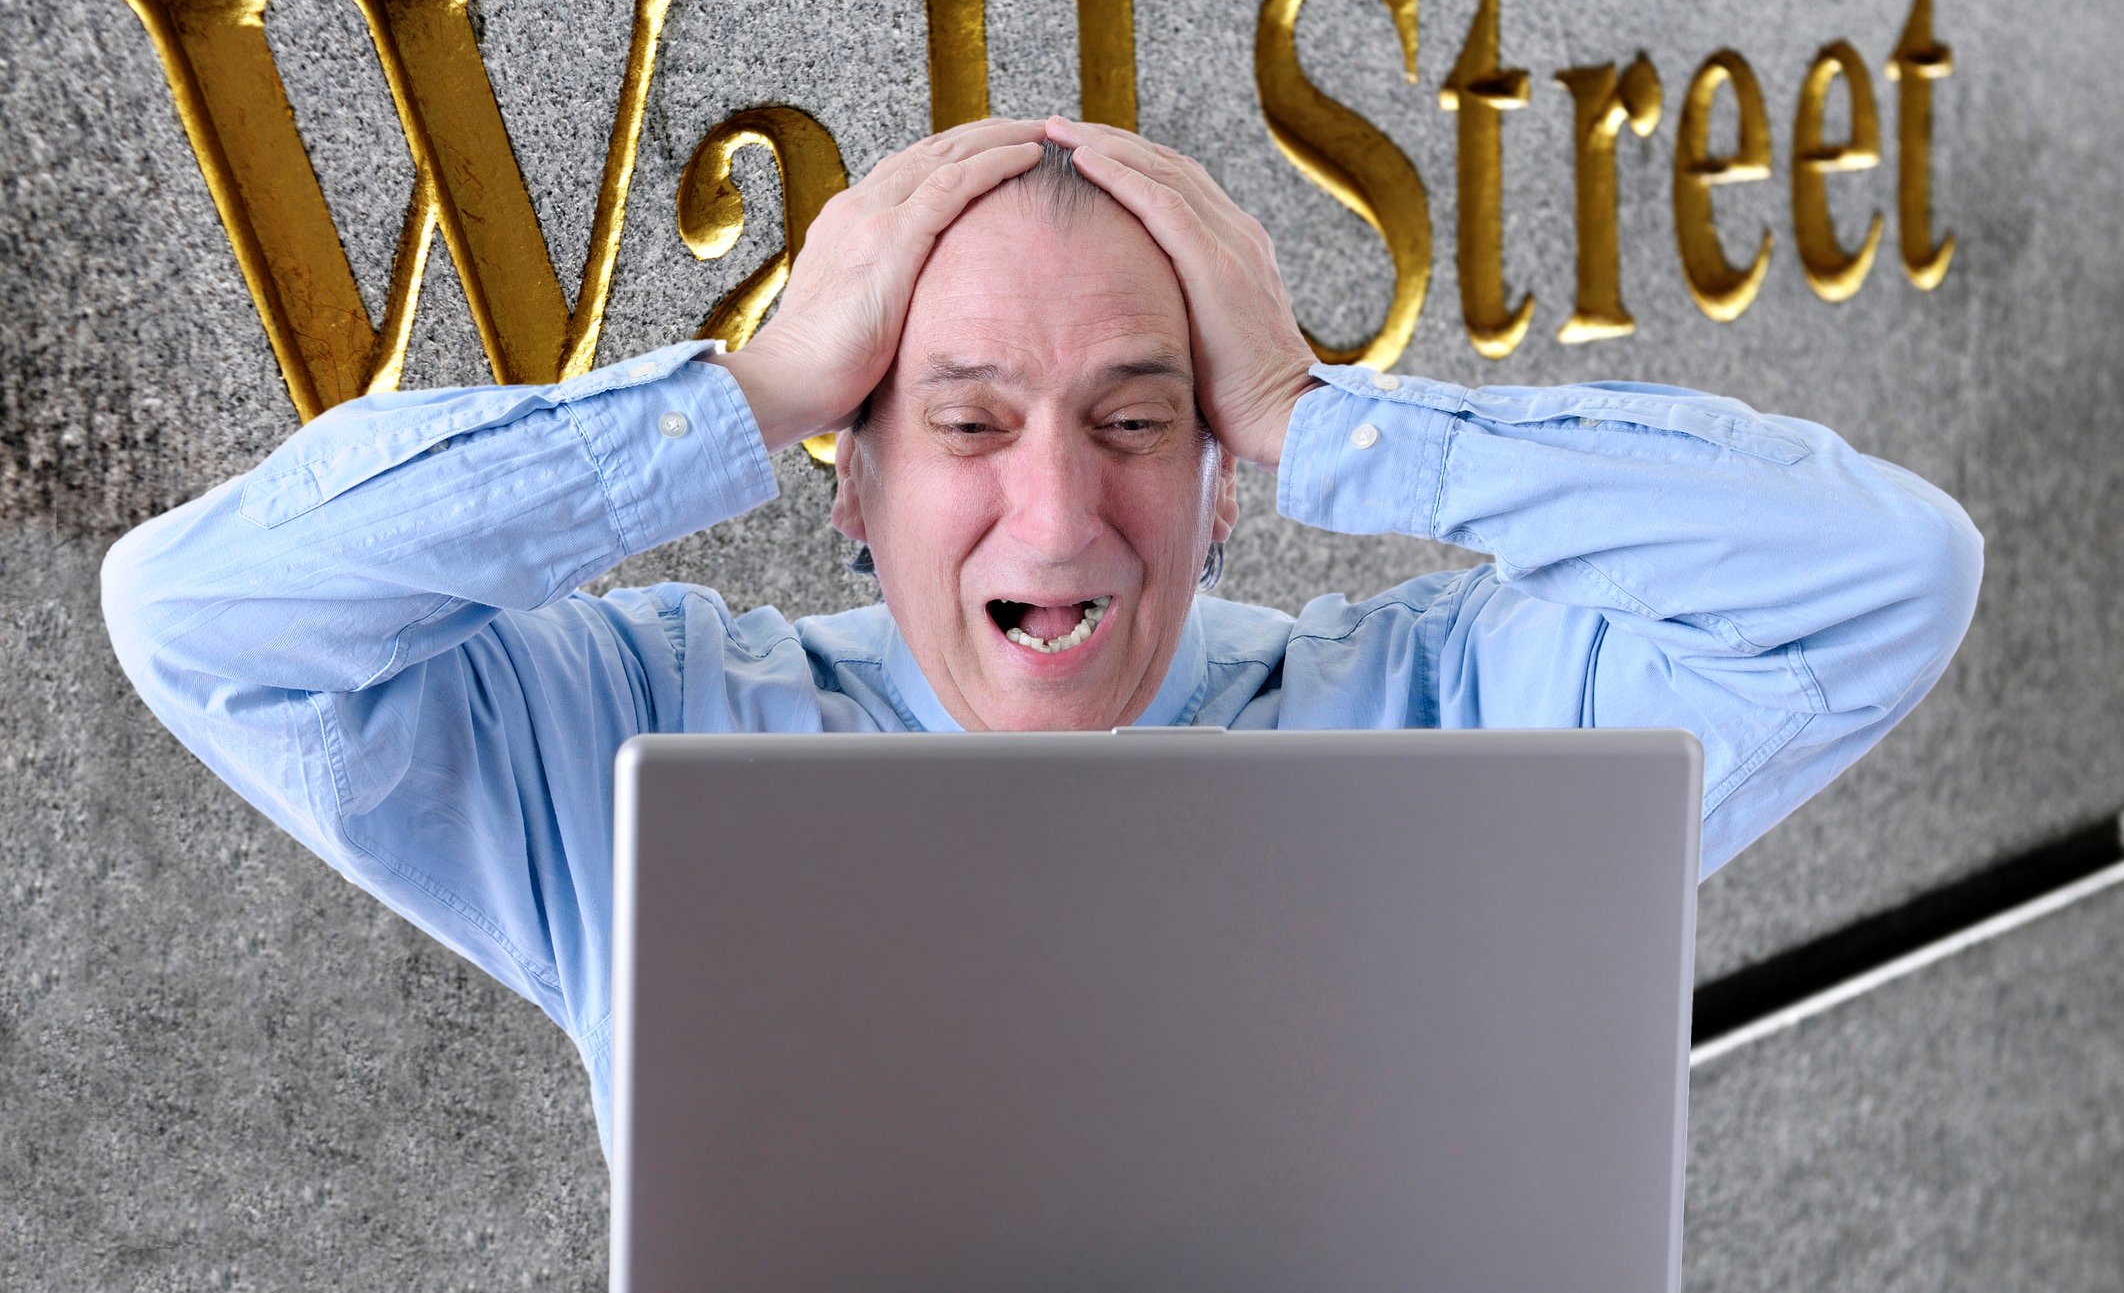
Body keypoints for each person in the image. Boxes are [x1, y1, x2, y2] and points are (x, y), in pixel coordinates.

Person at [101, 115, 1983, 1165]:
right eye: (968, 425)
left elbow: (1877, 579)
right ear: (852, 486)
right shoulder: (644, 750)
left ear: (1225, 480)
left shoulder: (1443, 718)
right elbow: (208, 618)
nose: (1061, 515)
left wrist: (1327, 414)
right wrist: (747, 394)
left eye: (1140, 422)